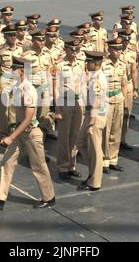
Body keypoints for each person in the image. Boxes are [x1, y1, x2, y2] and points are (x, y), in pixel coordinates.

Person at [0, 56, 55, 210]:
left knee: (38, 166)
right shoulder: (18, 87)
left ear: (22, 71)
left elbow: (28, 119)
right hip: (20, 133)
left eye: (14, 70)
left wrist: (10, 137)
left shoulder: (28, 90)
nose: (11, 72)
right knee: (7, 162)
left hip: (31, 134)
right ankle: (0, 199)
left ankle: (49, 198)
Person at [76, 51, 108, 191]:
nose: (86, 64)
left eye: (88, 62)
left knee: (95, 150)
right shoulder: (95, 76)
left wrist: (91, 123)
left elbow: (96, 102)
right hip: (91, 114)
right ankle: (93, 173)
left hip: (95, 116)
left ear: (95, 64)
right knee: (81, 143)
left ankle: (95, 182)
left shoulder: (98, 79)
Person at [54, 39, 84, 181]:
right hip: (65, 102)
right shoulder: (60, 65)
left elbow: (83, 83)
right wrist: (58, 108)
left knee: (75, 135)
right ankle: (62, 167)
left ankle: (72, 166)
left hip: (78, 101)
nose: (74, 52)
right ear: (65, 49)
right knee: (64, 137)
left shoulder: (81, 64)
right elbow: (56, 87)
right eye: (72, 49)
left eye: (77, 49)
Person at [102, 38, 127, 174]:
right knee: (106, 131)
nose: (118, 51)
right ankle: (104, 160)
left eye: (120, 49)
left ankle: (113, 159)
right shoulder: (103, 65)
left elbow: (124, 84)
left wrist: (124, 102)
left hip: (119, 99)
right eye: (116, 49)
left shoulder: (123, 65)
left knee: (116, 132)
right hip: (106, 100)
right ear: (109, 49)